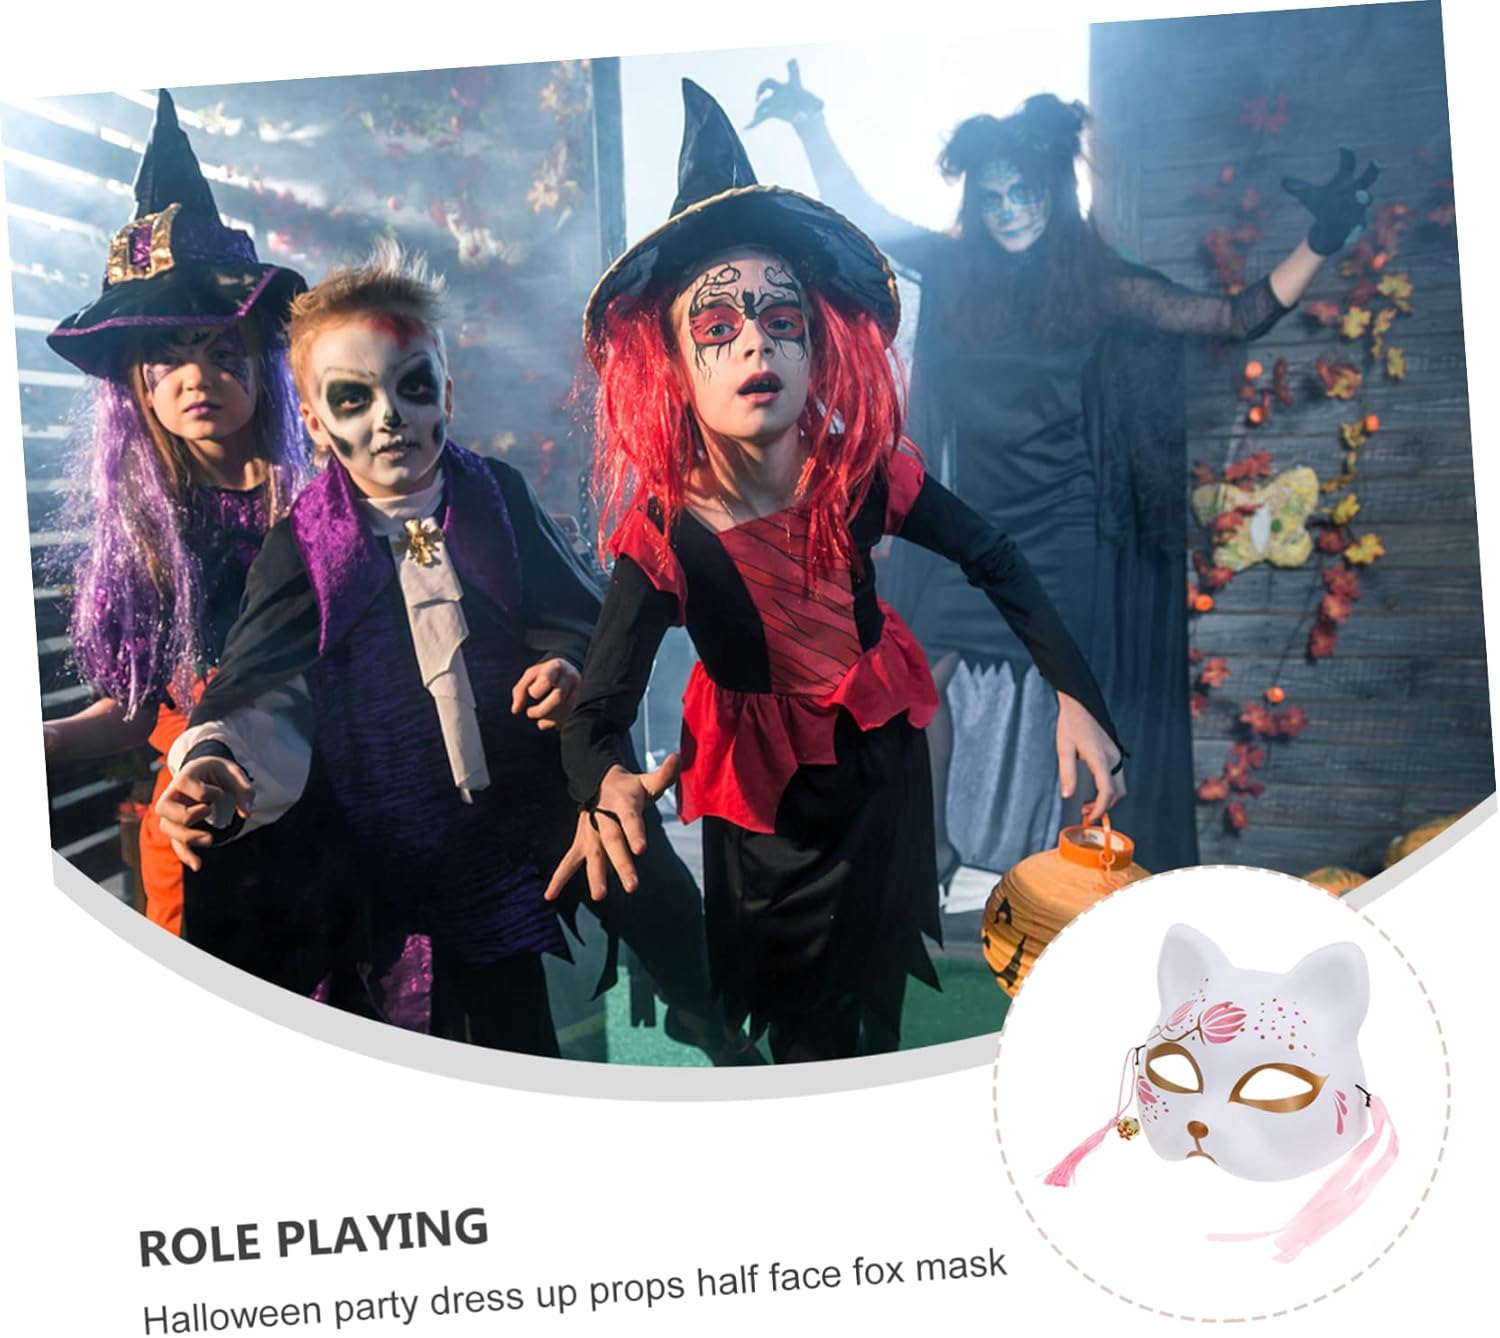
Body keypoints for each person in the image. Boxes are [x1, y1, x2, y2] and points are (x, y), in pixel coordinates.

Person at [547, 81, 1123, 1064]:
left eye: (782, 318)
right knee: (781, 1017)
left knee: (873, 1003)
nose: (757, 342)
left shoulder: (861, 475)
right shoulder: (665, 531)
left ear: (818, 346)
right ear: (671, 365)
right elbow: (595, 713)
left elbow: (992, 554)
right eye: (717, 328)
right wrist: (602, 781)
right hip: (762, 809)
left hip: (879, 777)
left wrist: (1076, 695)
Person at [750, 66, 1377, 877]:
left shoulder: (1099, 288)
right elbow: (860, 214)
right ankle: (933, 852)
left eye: (1026, 193)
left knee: (1076, 706)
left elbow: (1234, 315)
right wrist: (809, 121)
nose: (1010, 210)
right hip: (972, 531)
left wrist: (1323, 238)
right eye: (993, 198)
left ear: (1054, 192)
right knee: (912, 683)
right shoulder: (953, 271)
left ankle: (1081, 881)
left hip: (1062, 534)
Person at [152, 241, 754, 1062]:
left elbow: (576, 610)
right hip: (411, 835)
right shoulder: (307, 546)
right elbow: (262, 684)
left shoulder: (493, 496)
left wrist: (568, 666)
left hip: (538, 792)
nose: (389, 418)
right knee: (495, 1022)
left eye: (411, 387)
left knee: (657, 893)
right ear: (316, 420)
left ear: (447, 391)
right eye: (353, 398)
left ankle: (707, 1017)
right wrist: (216, 755)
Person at [43, 89, 309, 935]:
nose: (198, 378)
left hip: (329, 817)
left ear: (262, 362)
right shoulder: (144, 536)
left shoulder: (317, 507)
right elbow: (136, 707)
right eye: (169, 356)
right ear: (137, 382)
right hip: (193, 832)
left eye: (222, 350)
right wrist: (47, 740)